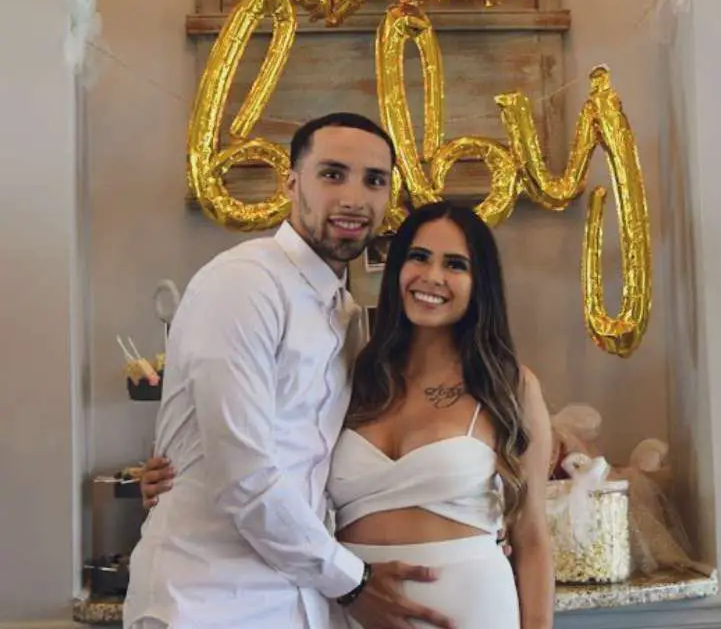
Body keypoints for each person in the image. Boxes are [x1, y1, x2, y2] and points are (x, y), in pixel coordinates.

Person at [143, 200, 555, 628]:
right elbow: (255, 448)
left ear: (480, 283)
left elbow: (532, 538)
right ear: (396, 269)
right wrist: (174, 476)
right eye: (418, 257)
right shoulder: (352, 371)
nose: (432, 277)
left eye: (455, 264)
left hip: (472, 609)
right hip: (353, 606)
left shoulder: (510, 386)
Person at [123, 113, 456, 629]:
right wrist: (353, 582)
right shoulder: (243, 283)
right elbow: (244, 474)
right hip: (205, 600)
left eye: (374, 180)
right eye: (332, 174)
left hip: (297, 603)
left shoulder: (344, 315)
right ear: (291, 183)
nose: (353, 197)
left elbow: (332, 465)